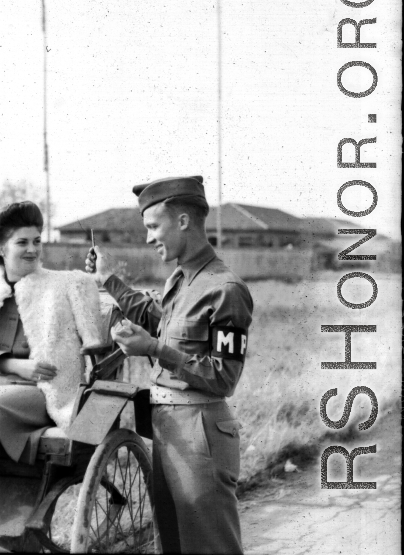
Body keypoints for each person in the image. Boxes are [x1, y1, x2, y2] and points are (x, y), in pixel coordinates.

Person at [85, 175, 253, 554]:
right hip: (170, 428)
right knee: (174, 543)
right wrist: (109, 280)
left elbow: (223, 377)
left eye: (153, 226)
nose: (148, 238)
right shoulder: (182, 278)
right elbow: (156, 317)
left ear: (182, 221)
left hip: (201, 431)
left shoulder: (225, 288)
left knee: (210, 544)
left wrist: (156, 350)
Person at [0, 201, 104, 533]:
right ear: (1, 247)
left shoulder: (63, 285)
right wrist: (13, 364)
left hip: (44, 393)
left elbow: (94, 342)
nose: (32, 250)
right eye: (22, 242)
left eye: (36, 241)